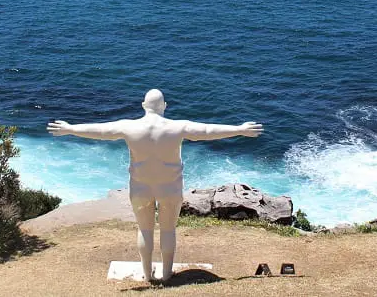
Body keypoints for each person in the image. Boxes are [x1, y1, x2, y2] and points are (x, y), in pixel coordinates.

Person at [48, 89, 263, 282]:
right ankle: (167, 273)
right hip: (170, 187)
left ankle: (147, 274)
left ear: (143, 106)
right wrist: (239, 129)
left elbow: (101, 131)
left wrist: (71, 129)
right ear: (165, 106)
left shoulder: (129, 126)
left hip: (141, 187)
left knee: (145, 229)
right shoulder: (178, 127)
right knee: (168, 230)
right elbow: (207, 131)